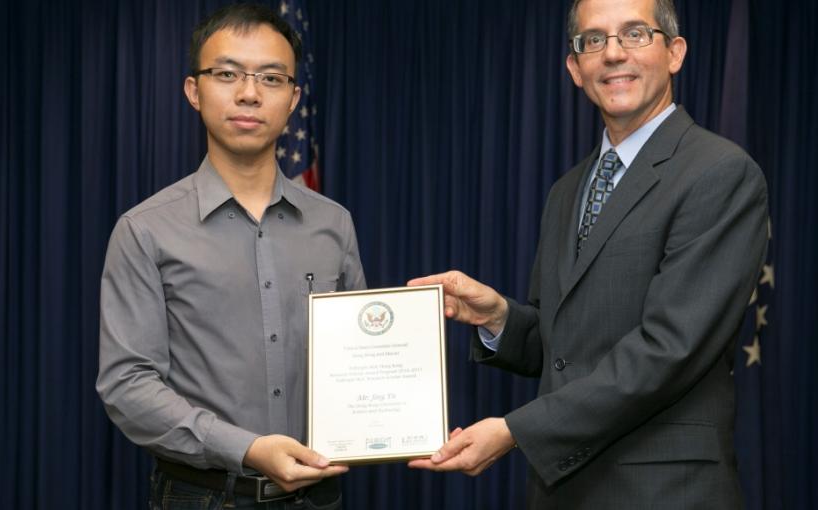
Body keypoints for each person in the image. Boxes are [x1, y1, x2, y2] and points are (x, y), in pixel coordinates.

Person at [408, 0, 768, 507]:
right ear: (575, 68)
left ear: (675, 53)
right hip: (563, 491)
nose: (613, 54)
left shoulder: (720, 172)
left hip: (665, 493)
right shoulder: (568, 190)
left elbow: (670, 349)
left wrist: (515, 430)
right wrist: (499, 319)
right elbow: (565, 350)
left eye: (635, 34)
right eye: (593, 41)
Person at [96, 4, 364, 508]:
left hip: (320, 496)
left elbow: (359, 360)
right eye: (227, 74)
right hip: (202, 496)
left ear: (293, 99)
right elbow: (127, 385)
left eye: (271, 77)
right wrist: (247, 449)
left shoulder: (334, 224)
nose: (248, 92)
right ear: (194, 91)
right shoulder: (145, 230)